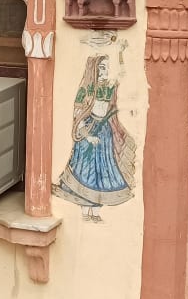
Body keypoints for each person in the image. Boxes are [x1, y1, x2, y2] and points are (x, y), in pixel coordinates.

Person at [52, 55, 137, 222]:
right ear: (94, 69)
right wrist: (88, 136)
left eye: (107, 67)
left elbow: (121, 74)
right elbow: (78, 115)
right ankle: (85, 213)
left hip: (104, 135)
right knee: (86, 173)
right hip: (88, 134)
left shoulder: (109, 87)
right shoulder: (86, 90)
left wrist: (121, 54)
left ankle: (96, 213)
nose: (105, 72)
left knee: (102, 173)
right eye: (102, 68)